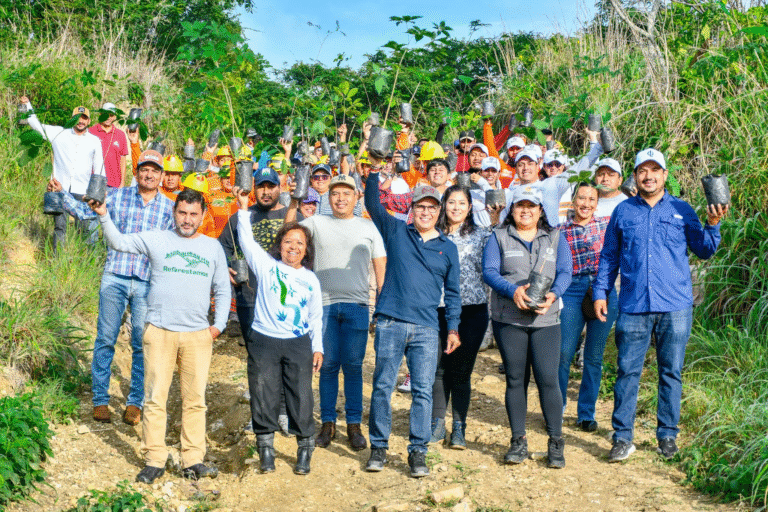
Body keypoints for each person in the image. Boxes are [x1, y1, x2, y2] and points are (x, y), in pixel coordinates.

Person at [593, 149, 728, 462]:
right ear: (635, 176)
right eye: (643, 170)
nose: (649, 176)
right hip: (633, 305)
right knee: (627, 371)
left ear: (665, 175)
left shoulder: (682, 209)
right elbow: (609, 256)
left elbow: (704, 250)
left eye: (655, 170)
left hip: (675, 306)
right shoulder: (623, 211)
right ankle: (622, 438)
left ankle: (667, 435)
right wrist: (600, 292)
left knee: (671, 372)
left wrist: (713, 224)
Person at [88, 188, 229, 484]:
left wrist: (217, 326)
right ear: (174, 213)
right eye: (182, 213)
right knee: (154, 398)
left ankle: (193, 459)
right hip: (160, 332)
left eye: (193, 214)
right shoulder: (157, 238)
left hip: (197, 335)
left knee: (195, 400)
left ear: (203, 216)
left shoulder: (212, 247)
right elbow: (119, 242)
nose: (187, 219)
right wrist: (103, 215)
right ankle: (154, 459)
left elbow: (222, 288)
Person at [52, 149, 174, 425]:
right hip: (115, 276)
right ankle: (100, 400)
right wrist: (61, 194)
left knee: (141, 344)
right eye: (145, 169)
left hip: (146, 282)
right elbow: (84, 211)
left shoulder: (169, 208)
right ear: (136, 173)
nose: (149, 175)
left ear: (162, 176)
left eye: (155, 170)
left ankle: (135, 402)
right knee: (106, 339)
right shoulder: (117, 196)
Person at [364, 170, 461, 478]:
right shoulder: (396, 231)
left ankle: (418, 450)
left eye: (432, 207)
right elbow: (373, 204)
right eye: (421, 206)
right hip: (391, 322)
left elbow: (454, 293)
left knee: (422, 391)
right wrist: (374, 170)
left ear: (439, 211)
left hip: (427, 328)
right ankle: (378, 447)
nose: (426, 212)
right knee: (382, 386)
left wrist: (453, 327)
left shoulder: (448, 247)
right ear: (412, 208)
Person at [285, 174, 386, 451]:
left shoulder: (368, 226)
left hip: (357, 305)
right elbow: (289, 234)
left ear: (356, 197)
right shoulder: (317, 223)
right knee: (327, 365)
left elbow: (380, 264)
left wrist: (383, 301)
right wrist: (293, 203)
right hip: (323, 306)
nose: (341, 198)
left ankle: (354, 424)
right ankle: (327, 422)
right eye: (335, 193)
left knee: (353, 366)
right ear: (328, 197)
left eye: (346, 193)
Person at [233, 186, 323, 476]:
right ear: (279, 245)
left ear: (306, 249)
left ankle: (305, 449)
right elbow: (246, 240)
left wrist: (318, 347)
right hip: (264, 341)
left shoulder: (310, 279)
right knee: (263, 392)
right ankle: (266, 451)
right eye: (287, 242)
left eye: (299, 243)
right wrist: (242, 207)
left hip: (298, 343)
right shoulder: (266, 267)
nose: (293, 247)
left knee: (301, 396)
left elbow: (315, 316)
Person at [483, 186, 573, 468]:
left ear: (540, 210)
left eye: (531, 206)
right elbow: (489, 271)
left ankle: (555, 441)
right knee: (515, 379)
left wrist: (554, 294)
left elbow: (566, 271)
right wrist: (513, 291)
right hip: (509, 319)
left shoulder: (555, 237)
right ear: (511, 209)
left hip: (546, 320)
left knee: (548, 378)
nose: (525, 211)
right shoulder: (499, 236)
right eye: (520, 205)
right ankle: (518, 440)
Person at [430, 185, 499, 449]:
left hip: (472, 310)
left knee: (461, 370)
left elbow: (496, 261)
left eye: (462, 203)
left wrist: (495, 220)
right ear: (443, 205)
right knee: (438, 369)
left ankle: (459, 426)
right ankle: (437, 423)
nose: (456, 207)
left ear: (470, 207)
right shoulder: (432, 234)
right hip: (437, 309)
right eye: (451, 202)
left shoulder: (482, 236)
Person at [557, 182, 617, 432]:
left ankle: (586, 413)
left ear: (597, 203)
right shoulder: (559, 230)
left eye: (592, 199)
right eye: (582, 198)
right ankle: (557, 408)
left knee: (593, 356)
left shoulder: (607, 225)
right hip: (571, 289)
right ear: (573, 201)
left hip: (602, 290)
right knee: (563, 352)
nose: (586, 204)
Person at [23, 95, 104, 249]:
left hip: (83, 191)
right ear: (72, 118)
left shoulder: (94, 141)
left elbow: (100, 168)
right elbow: (36, 125)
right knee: (60, 227)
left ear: (89, 121)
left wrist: (98, 193)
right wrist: (27, 105)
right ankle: (57, 258)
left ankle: (82, 258)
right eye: (77, 117)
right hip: (60, 188)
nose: (81, 121)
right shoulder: (59, 133)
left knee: (85, 229)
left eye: (84, 118)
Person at [90, 102, 129, 189]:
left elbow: (123, 160)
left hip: (114, 184)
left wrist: (122, 182)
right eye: (105, 114)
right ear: (100, 114)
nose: (108, 117)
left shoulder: (120, 134)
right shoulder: (91, 131)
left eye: (111, 115)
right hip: (94, 182)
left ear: (115, 117)